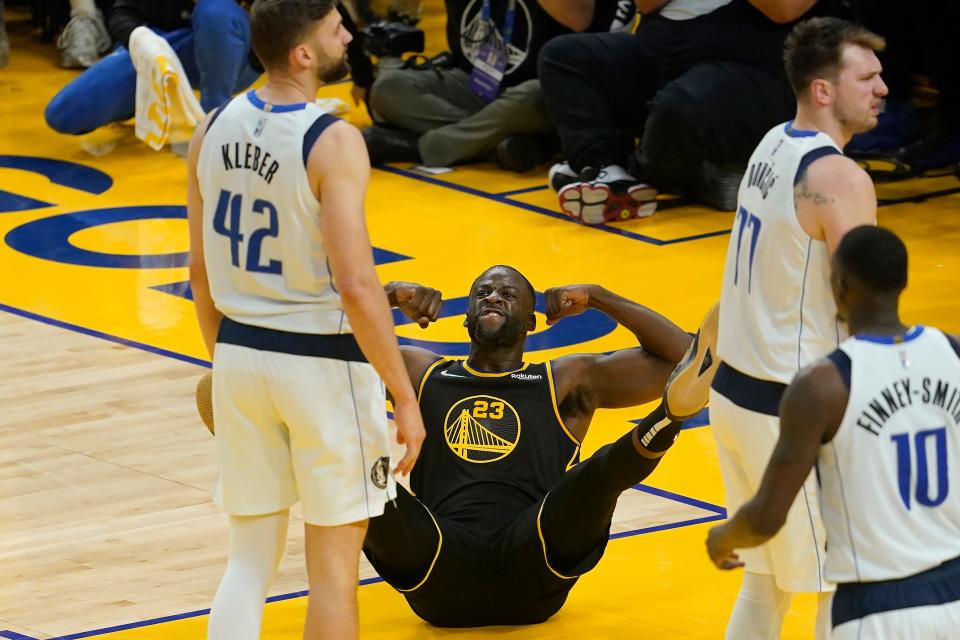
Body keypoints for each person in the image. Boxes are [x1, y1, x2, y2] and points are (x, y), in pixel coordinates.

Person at [185, 0, 425, 638]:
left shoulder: (210, 128)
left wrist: (228, 361)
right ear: (302, 52)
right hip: (322, 369)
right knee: (332, 575)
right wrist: (402, 393)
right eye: (334, 27)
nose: (347, 34)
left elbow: (200, 274)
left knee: (247, 563)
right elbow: (355, 282)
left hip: (238, 353)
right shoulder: (333, 139)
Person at [356, 267, 717, 626]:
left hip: (536, 554)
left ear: (532, 322)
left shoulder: (563, 380)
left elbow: (687, 362)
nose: (493, 297)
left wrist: (597, 295)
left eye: (508, 294)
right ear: (465, 317)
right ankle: (668, 420)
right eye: (482, 294)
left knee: (597, 473)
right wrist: (387, 294)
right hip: (435, 560)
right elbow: (320, 360)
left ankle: (668, 418)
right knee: (358, 468)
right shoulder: (418, 371)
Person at [707, 16, 887, 640]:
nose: (883, 88)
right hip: (788, 410)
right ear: (822, 90)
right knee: (836, 586)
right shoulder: (840, 178)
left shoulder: (772, 144)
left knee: (767, 580)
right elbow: (862, 303)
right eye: (866, 76)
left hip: (735, 395)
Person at [707, 225, 960, 639]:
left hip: (878, 610)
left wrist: (723, 536)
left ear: (838, 286)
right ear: (904, 282)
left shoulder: (822, 386)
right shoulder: (952, 353)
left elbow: (767, 517)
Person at [538, 0, 829, 222]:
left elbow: (784, 9)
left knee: (678, 106)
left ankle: (636, 175)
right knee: (562, 56)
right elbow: (645, 4)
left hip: (746, 66)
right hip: (659, 51)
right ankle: (602, 168)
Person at [362, 0, 636, 171]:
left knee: (532, 97)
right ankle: (504, 143)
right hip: (476, 83)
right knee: (389, 86)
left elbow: (579, 17)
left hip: (544, 88)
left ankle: (421, 147)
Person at [45, 0, 262, 137]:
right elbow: (123, 12)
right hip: (163, 46)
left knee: (216, 10)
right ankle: (135, 103)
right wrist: (139, 37)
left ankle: (214, 123)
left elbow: (288, 18)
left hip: (237, 48)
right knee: (64, 113)